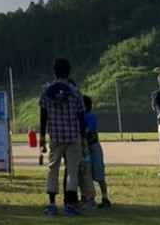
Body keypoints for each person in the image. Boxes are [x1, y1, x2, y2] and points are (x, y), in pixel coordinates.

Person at [37, 57, 86, 216]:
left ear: (54, 71)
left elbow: (43, 114)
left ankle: (52, 205)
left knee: (53, 169)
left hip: (56, 136)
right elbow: (81, 116)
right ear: (69, 72)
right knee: (72, 171)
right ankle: (70, 205)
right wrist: (83, 137)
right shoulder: (75, 91)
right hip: (73, 136)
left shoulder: (46, 90)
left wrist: (42, 136)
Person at [78, 95, 111, 209]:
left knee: (99, 173)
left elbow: (87, 130)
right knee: (84, 174)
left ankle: (105, 197)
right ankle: (85, 197)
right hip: (84, 148)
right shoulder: (80, 117)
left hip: (93, 147)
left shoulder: (90, 117)